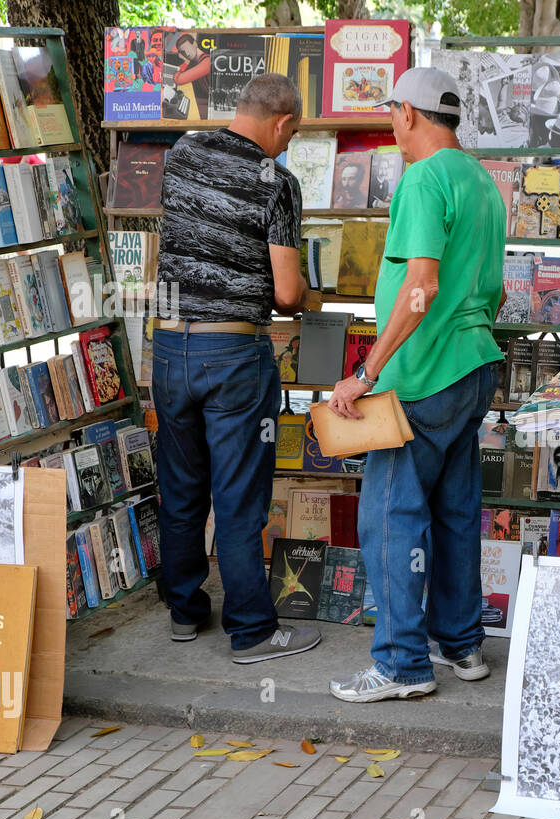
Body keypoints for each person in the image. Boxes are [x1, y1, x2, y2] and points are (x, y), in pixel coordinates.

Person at [325, 67, 506, 703]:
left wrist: (366, 372)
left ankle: (403, 665)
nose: (390, 125)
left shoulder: (425, 180)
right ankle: (461, 645)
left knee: (389, 517)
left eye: (392, 113)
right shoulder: (481, 181)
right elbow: (491, 288)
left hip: (423, 374)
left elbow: (420, 288)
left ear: (409, 113)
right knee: (455, 512)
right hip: (473, 366)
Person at [152, 73, 322, 664]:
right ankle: (250, 629)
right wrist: (310, 297)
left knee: (180, 488)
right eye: (293, 132)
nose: (290, 143)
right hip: (233, 355)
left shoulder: (184, 152)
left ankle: (184, 610)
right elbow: (284, 294)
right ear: (280, 122)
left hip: (170, 349)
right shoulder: (277, 182)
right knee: (240, 494)